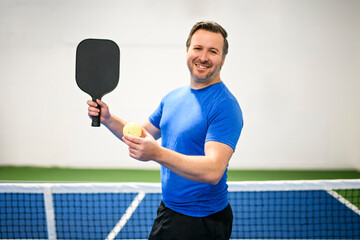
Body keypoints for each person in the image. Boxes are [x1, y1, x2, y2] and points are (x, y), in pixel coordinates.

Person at [87, 21, 243, 240]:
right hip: (169, 211)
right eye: (198, 48)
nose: (203, 57)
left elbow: (213, 171)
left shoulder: (225, 105)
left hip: (203, 222)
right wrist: (108, 118)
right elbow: (139, 133)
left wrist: (156, 153)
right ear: (187, 50)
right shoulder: (172, 98)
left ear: (223, 59)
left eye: (213, 51)